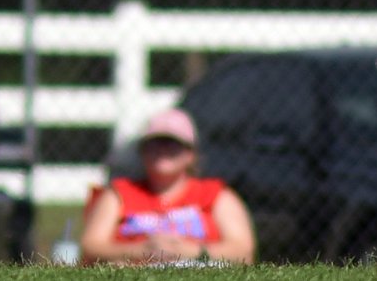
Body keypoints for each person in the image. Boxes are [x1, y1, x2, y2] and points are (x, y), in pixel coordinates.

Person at [79, 107, 256, 266]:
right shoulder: (119, 194)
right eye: (155, 142)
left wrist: (193, 252)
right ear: (142, 150)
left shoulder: (216, 195)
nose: (162, 150)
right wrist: (143, 250)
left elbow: (243, 250)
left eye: (172, 143)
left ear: (191, 154)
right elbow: (91, 247)